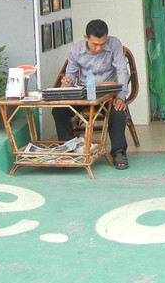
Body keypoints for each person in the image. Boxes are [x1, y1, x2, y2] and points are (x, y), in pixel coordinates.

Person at [55, 19, 131, 170]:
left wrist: (120, 96)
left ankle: (118, 152)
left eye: (102, 44)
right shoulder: (75, 50)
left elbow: (122, 71)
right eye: (95, 44)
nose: (98, 48)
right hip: (85, 93)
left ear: (107, 38)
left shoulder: (114, 44)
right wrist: (67, 82)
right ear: (86, 38)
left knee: (118, 111)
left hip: (109, 94)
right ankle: (70, 151)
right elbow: (70, 75)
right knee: (58, 110)